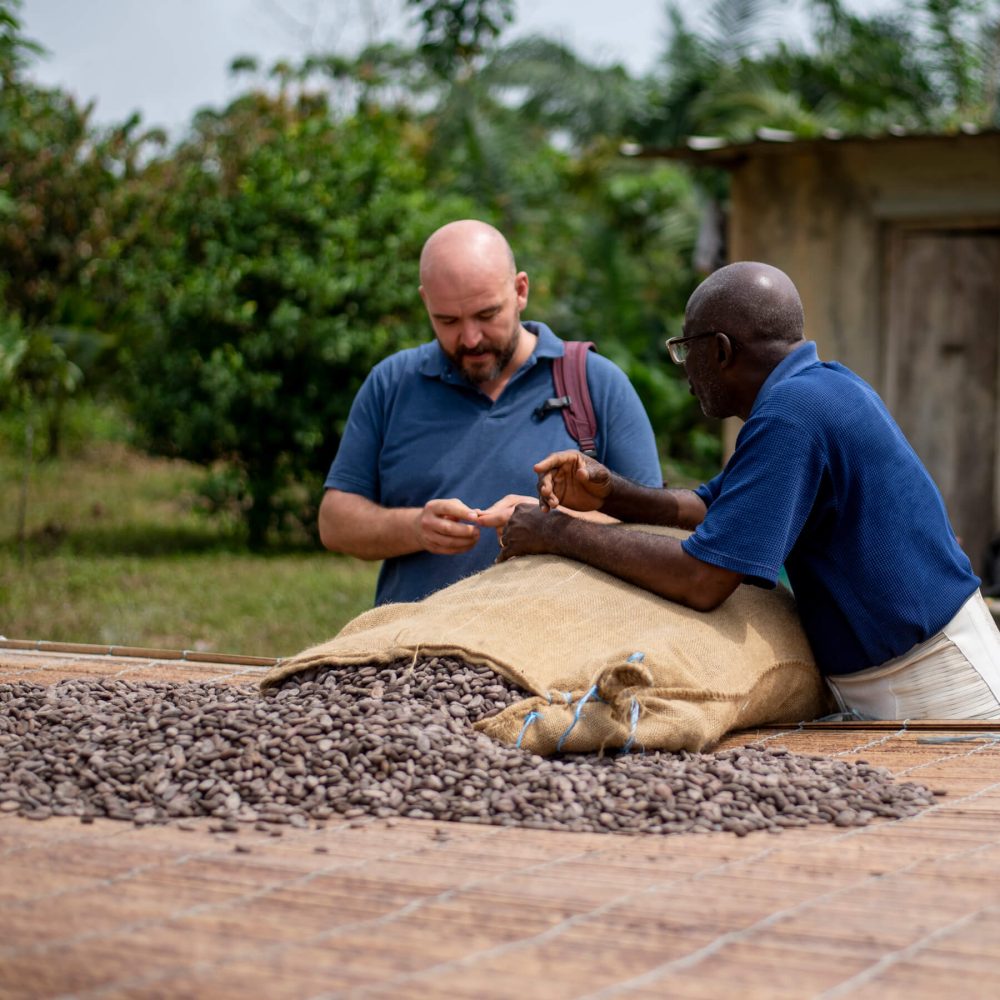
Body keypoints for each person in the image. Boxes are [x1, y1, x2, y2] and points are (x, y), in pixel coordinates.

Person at [486, 261, 1000, 721]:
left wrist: (556, 532)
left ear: (722, 350)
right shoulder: (822, 388)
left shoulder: (793, 414)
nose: (686, 372)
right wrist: (609, 493)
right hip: (908, 672)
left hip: (936, 682)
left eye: (687, 350)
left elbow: (702, 580)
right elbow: (711, 505)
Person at [318, 219, 662, 605]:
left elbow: (654, 533)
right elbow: (335, 522)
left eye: (486, 315)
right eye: (447, 321)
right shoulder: (391, 384)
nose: (470, 338)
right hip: (411, 652)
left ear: (520, 291)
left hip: (560, 651)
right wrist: (415, 528)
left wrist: (549, 525)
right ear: (425, 302)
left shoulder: (596, 383)